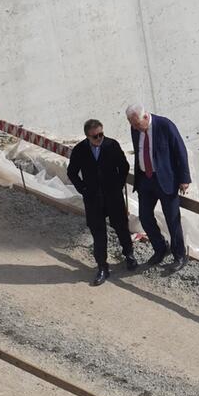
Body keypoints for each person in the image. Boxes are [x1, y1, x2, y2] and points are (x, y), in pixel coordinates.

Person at [67, 119, 136, 286]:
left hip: (113, 197)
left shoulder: (111, 145)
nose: (99, 139)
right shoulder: (80, 150)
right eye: (95, 136)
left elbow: (124, 167)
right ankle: (102, 267)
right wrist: (83, 189)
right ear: (87, 137)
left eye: (101, 134)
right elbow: (72, 172)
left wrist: (117, 185)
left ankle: (129, 255)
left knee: (121, 226)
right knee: (98, 234)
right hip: (93, 199)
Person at [125, 104, 191, 272]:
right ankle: (161, 248)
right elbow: (140, 150)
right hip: (145, 180)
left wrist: (184, 179)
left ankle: (179, 256)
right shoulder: (135, 129)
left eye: (137, 124)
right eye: (132, 124)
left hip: (165, 180)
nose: (134, 128)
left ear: (146, 117)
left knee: (172, 220)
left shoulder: (165, 125)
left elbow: (180, 151)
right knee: (145, 217)